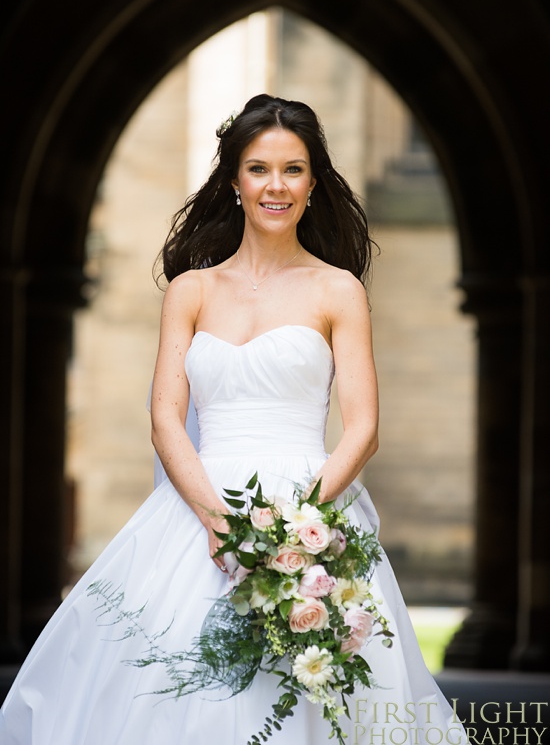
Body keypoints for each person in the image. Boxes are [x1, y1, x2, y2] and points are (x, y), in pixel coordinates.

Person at [0, 94, 467, 744]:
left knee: (312, 695)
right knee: (163, 687)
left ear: (313, 182)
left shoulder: (339, 291)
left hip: (312, 508)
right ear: (233, 180)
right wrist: (222, 526)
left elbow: (363, 427)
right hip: (196, 513)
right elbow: (166, 417)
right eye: (259, 168)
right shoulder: (192, 291)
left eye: (294, 169)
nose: (276, 185)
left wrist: (299, 532)